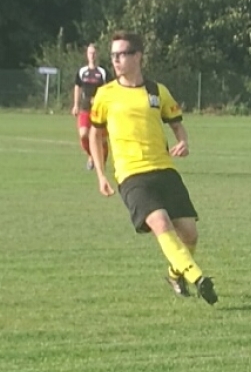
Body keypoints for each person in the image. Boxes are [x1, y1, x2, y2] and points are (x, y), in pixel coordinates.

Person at [88, 30, 218, 305]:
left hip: (164, 169)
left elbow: (177, 124)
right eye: (113, 55)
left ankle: (175, 273)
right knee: (160, 223)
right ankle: (197, 277)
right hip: (131, 174)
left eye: (122, 54)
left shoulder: (157, 91)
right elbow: (95, 134)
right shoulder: (105, 94)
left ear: (138, 57)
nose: (116, 60)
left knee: (190, 234)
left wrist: (183, 141)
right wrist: (101, 174)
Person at [72, 44, 110, 169]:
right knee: (83, 134)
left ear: (97, 55)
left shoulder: (103, 72)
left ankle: (101, 162)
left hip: (99, 110)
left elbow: (110, 89)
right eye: (90, 53)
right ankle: (91, 155)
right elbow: (77, 87)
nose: (92, 55)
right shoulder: (82, 72)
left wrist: (100, 100)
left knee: (102, 139)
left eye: (94, 53)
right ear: (87, 55)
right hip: (85, 108)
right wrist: (76, 105)